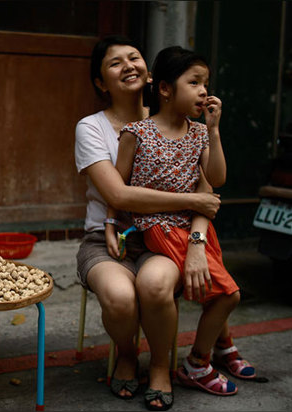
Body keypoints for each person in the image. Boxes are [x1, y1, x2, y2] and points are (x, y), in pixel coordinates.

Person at [75, 36, 221, 411]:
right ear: (99, 82)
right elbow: (120, 196)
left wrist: (196, 245)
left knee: (155, 287)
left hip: (166, 237)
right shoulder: (91, 128)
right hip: (107, 238)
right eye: (114, 63)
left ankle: (159, 366)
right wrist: (192, 201)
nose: (128, 65)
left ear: (154, 77)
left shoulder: (182, 124)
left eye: (134, 57)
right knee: (121, 298)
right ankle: (127, 354)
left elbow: (211, 195)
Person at [107, 45, 256, 401]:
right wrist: (111, 224)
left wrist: (214, 131)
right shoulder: (137, 133)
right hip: (160, 230)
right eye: (194, 82)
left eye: (206, 83)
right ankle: (199, 363)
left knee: (225, 295)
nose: (204, 90)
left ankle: (203, 359)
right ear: (164, 89)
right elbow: (118, 186)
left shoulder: (199, 134)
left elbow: (216, 181)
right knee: (227, 294)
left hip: (194, 230)